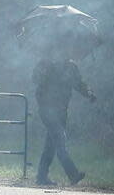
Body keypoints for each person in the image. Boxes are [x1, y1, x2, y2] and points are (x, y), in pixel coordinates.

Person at [33, 55, 95, 186]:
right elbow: (35, 79)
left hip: (61, 112)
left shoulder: (71, 67)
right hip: (47, 110)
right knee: (60, 141)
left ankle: (41, 177)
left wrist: (89, 93)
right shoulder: (47, 63)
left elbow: (79, 84)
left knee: (50, 145)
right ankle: (73, 174)